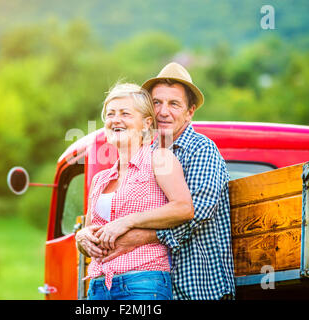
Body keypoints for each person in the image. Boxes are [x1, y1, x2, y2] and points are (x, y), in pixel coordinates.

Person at [84, 62, 236, 300]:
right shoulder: (144, 155)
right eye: (157, 103)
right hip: (149, 282)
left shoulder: (200, 148)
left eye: (174, 104)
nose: (163, 112)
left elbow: (196, 211)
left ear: (190, 111)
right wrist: (83, 236)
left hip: (197, 284)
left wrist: (138, 234)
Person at [75, 82, 194, 300]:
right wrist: (81, 238)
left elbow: (184, 208)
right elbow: (92, 232)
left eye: (125, 114)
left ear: (146, 123)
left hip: (143, 283)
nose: (115, 119)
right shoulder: (100, 180)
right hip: (99, 287)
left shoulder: (159, 159)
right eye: (110, 114)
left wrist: (128, 220)